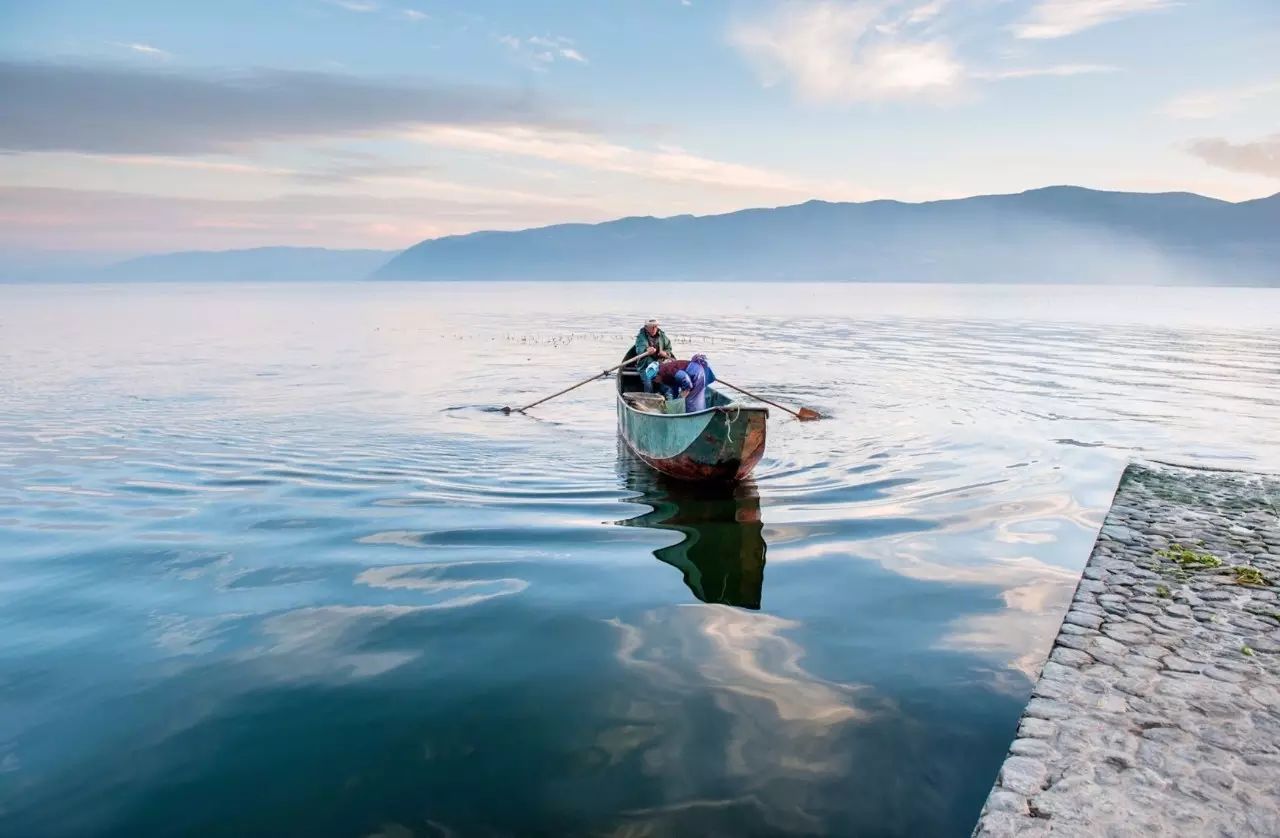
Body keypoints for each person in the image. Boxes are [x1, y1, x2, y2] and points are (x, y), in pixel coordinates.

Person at [647, 354, 716, 412]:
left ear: (658, 373)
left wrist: (687, 389)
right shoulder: (665, 378)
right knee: (696, 399)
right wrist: (675, 400)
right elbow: (674, 387)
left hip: (696, 373)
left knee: (690, 401)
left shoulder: (666, 370)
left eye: (654, 378)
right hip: (696, 373)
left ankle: (693, 418)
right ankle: (699, 414)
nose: (655, 381)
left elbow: (684, 377)